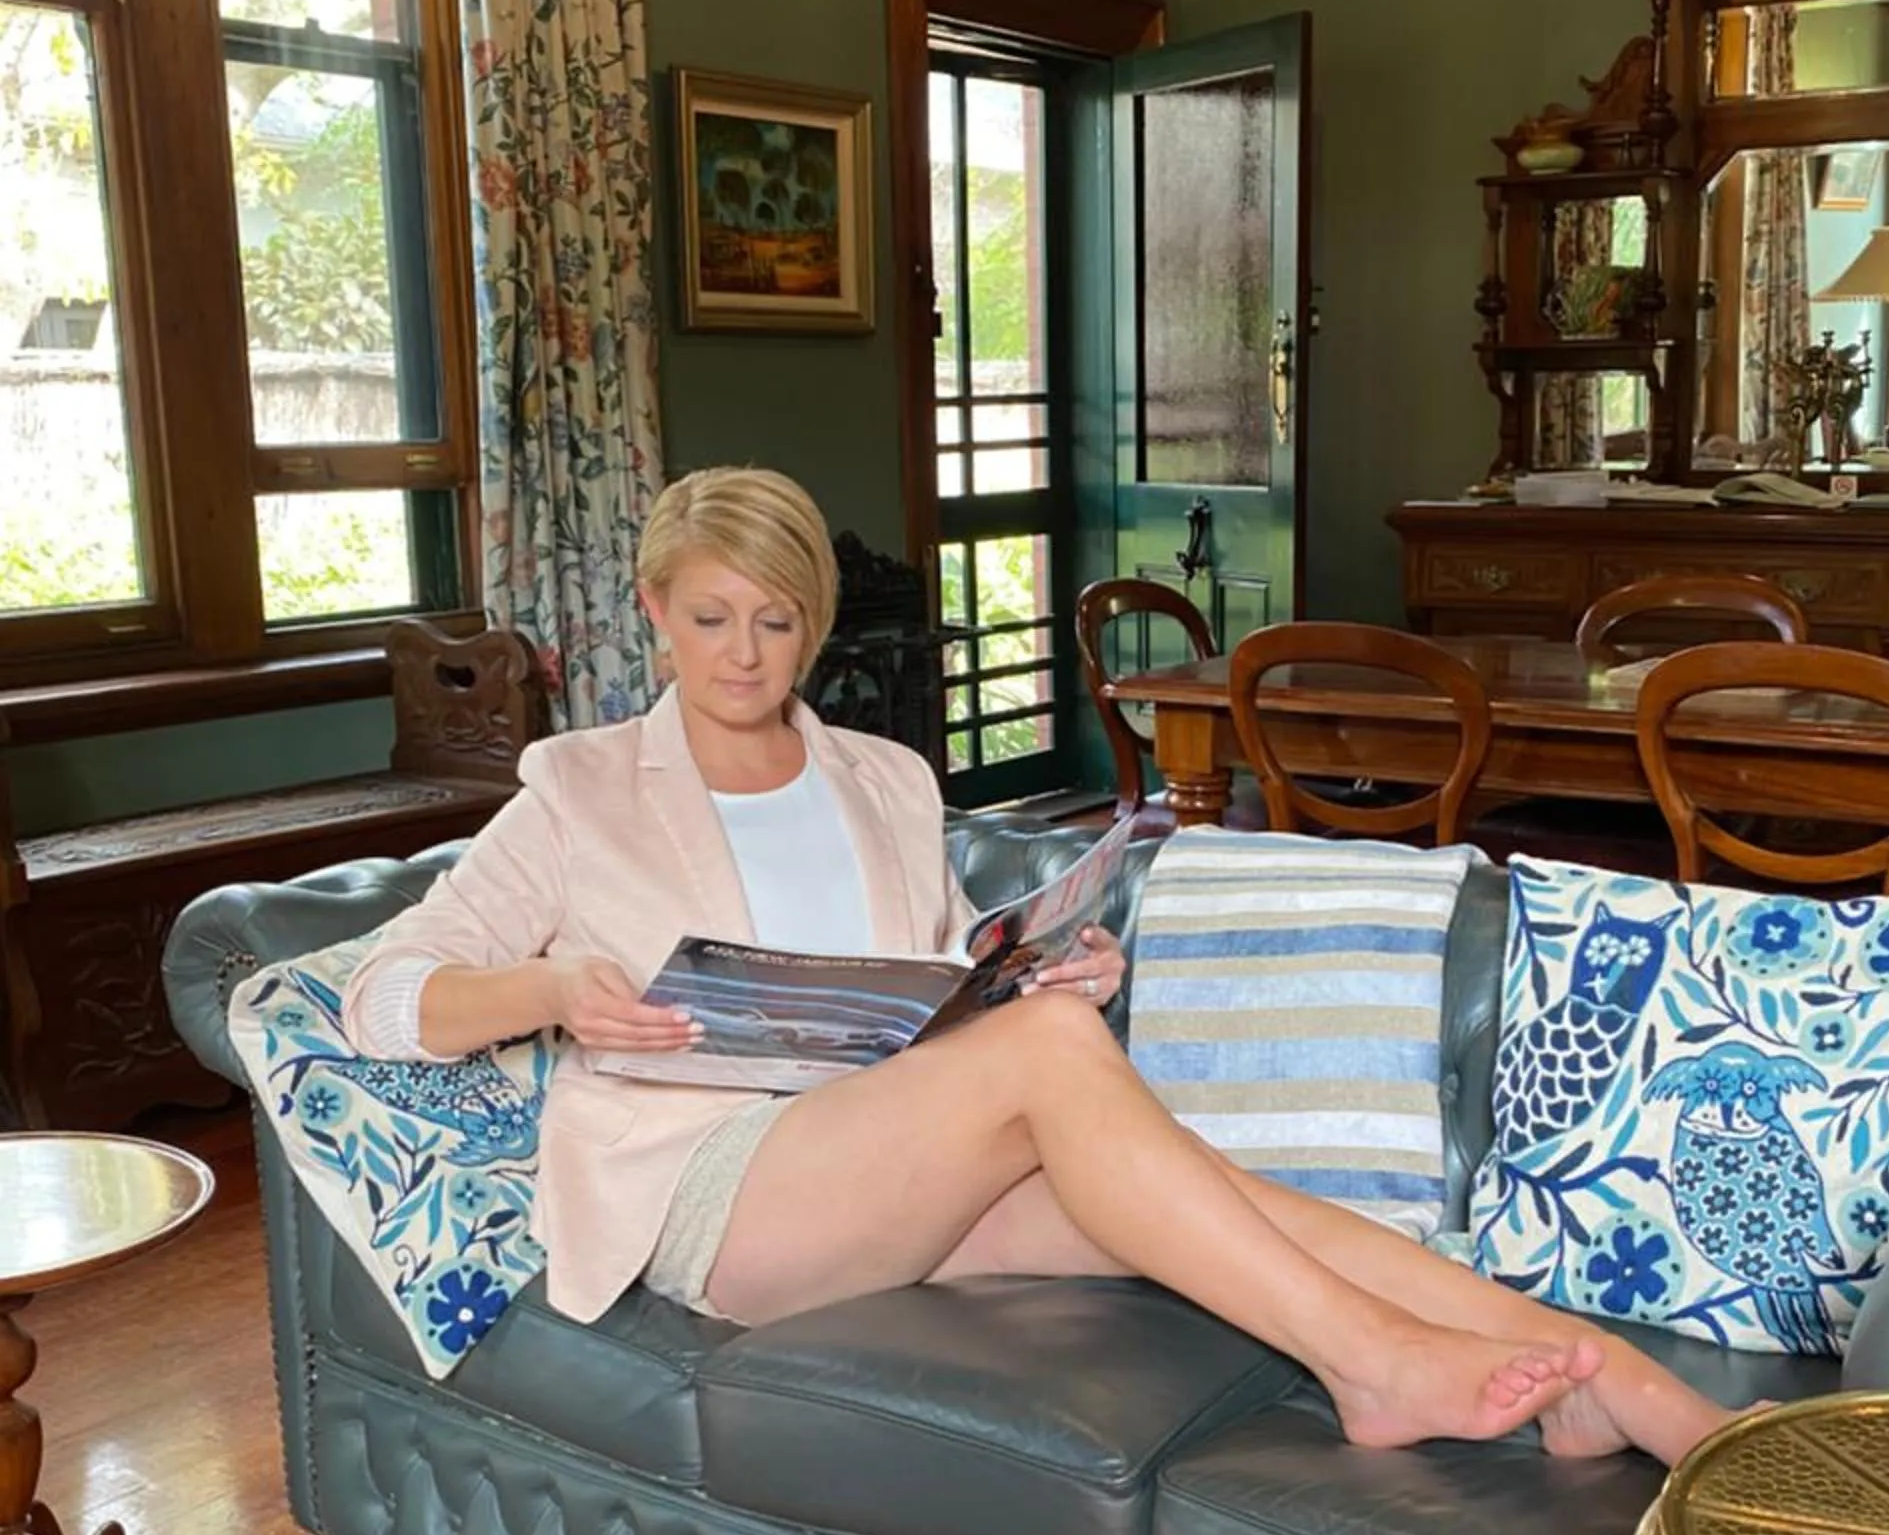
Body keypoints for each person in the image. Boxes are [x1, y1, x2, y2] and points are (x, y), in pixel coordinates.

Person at [342, 468, 1732, 1464]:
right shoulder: (578, 786)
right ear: (655, 610)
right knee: (1063, 1069)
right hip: (711, 1196)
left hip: (885, 1166)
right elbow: (383, 995)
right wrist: (551, 991)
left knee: (1220, 1196)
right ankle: (1372, 1369)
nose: (745, 656)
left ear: (812, 623)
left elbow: (942, 966)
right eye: (711, 619)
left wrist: (1040, 970)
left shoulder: (881, 777)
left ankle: (1602, 1376)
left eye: (776, 621)